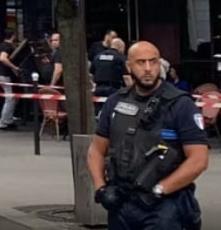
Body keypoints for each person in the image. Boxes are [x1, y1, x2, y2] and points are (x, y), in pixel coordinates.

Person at [88, 41, 206, 229]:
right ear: (128, 66)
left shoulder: (181, 105)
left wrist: (160, 189)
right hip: (122, 203)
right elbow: (96, 150)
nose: (148, 68)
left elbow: (198, 160)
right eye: (141, 62)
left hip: (165, 206)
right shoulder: (115, 102)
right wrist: (100, 188)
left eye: (153, 62)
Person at [93, 38, 129, 111]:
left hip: (98, 89)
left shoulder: (97, 56)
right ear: (120, 47)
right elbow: (126, 77)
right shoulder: (121, 58)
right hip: (113, 89)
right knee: (111, 113)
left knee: (99, 112)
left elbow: (91, 73)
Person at [0, 30, 21, 131]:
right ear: (13, 36)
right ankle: (3, 122)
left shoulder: (2, 45)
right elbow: (3, 58)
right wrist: (14, 67)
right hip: (5, 75)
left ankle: (9, 120)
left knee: (12, 99)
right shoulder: (7, 46)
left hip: (2, 75)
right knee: (10, 99)